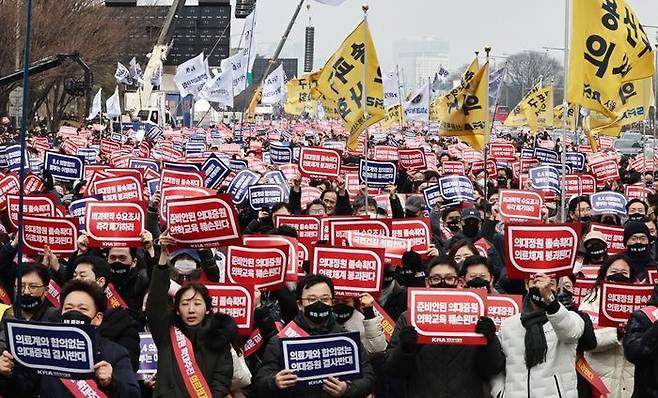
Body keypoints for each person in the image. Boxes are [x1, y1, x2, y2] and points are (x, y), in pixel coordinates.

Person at [385, 255, 504, 398]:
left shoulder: (476, 316)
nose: (443, 283)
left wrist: (489, 341)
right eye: (436, 279)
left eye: (449, 278)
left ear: (459, 282)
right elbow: (392, 369)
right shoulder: (408, 318)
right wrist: (405, 349)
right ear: (427, 282)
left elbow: (492, 369)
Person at [0, 279, 140, 397]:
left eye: (82, 309)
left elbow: (133, 394)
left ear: (97, 318)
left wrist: (111, 382)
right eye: (68, 308)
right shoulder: (45, 348)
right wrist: (7, 374)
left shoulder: (115, 353)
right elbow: (21, 390)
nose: (74, 313)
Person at [254, 274, 375, 397]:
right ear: (300, 304)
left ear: (332, 302)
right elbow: (260, 382)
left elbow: (368, 378)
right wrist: (274, 382)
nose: (319, 304)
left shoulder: (346, 340)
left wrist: (347, 389)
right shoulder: (281, 340)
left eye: (324, 299)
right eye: (311, 299)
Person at [146, 233, 236, 397]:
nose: (191, 310)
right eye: (185, 304)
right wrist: (163, 256)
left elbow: (221, 380)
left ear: (208, 309)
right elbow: (155, 303)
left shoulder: (219, 339)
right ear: (177, 309)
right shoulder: (167, 334)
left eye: (197, 303)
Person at [493, 273, 585, 398]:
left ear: (557, 288)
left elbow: (569, 333)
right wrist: (500, 393)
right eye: (536, 282)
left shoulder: (570, 318)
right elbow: (498, 365)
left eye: (550, 283)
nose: (542, 287)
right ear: (526, 285)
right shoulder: (508, 325)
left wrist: (550, 301)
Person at [578, 254, 636, 398]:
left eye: (624, 273)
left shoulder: (640, 303)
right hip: (598, 382)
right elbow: (587, 341)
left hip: (629, 382)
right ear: (604, 275)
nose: (619, 276)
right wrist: (617, 333)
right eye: (614, 272)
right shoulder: (591, 301)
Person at [71, 255, 140, 372]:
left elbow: (130, 362)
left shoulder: (122, 320)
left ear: (100, 281)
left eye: (82, 276)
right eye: (74, 276)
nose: (76, 279)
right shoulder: (59, 315)